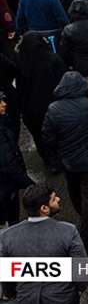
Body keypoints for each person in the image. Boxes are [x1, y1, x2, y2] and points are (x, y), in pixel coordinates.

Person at [42, 71, 88, 248]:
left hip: (69, 162)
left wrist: (57, 155)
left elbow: (47, 137)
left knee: (75, 192)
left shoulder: (53, 109)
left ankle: (85, 220)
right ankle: (87, 233)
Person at [0, 184, 86, 304]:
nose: (58, 199)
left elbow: (6, 277)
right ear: (44, 208)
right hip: (63, 300)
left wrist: (12, 294)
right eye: (53, 199)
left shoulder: (7, 236)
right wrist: (79, 290)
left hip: (26, 302)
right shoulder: (68, 231)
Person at [16, 32, 66, 169]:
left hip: (32, 111)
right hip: (53, 106)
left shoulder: (21, 63)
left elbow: (20, 89)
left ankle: (51, 162)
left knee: (40, 137)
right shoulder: (53, 60)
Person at [0, 93, 31, 227]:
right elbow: (8, 163)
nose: (4, 104)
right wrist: (28, 183)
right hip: (6, 187)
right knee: (12, 219)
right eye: (0, 102)